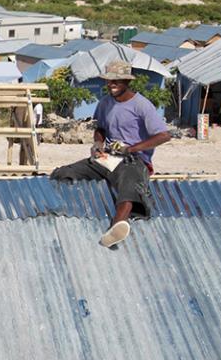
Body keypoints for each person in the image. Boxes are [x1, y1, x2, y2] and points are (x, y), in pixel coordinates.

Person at [50, 61, 171, 248]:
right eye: (109, 81)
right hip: (108, 157)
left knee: (129, 186)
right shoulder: (105, 103)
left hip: (133, 159)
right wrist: (98, 143)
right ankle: (62, 213)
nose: (111, 84)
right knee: (64, 173)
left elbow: (164, 135)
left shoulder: (142, 105)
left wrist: (131, 149)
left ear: (127, 82)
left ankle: (116, 227)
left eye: (117, 81)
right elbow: (100, 128)